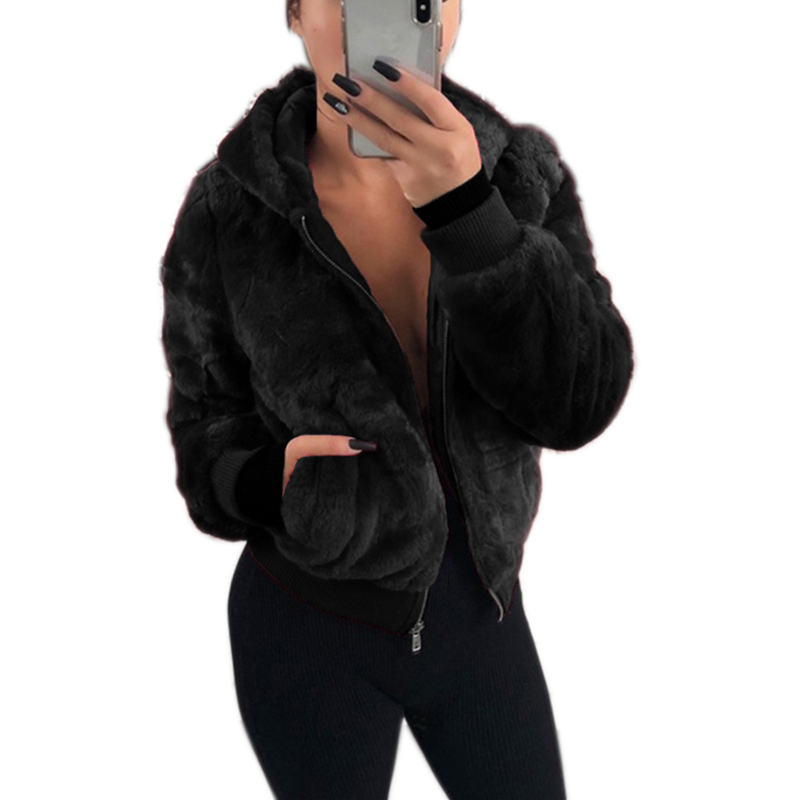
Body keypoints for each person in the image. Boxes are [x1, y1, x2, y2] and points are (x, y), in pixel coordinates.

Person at [160, 0, 634, 797]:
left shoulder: (519, 177)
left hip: (481, 619)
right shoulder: (227, 211)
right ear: (296, 12)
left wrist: (470, 214)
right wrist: (266, 481)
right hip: (305, 629)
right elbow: (203, 427)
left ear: (451, 14)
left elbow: (578, 404)